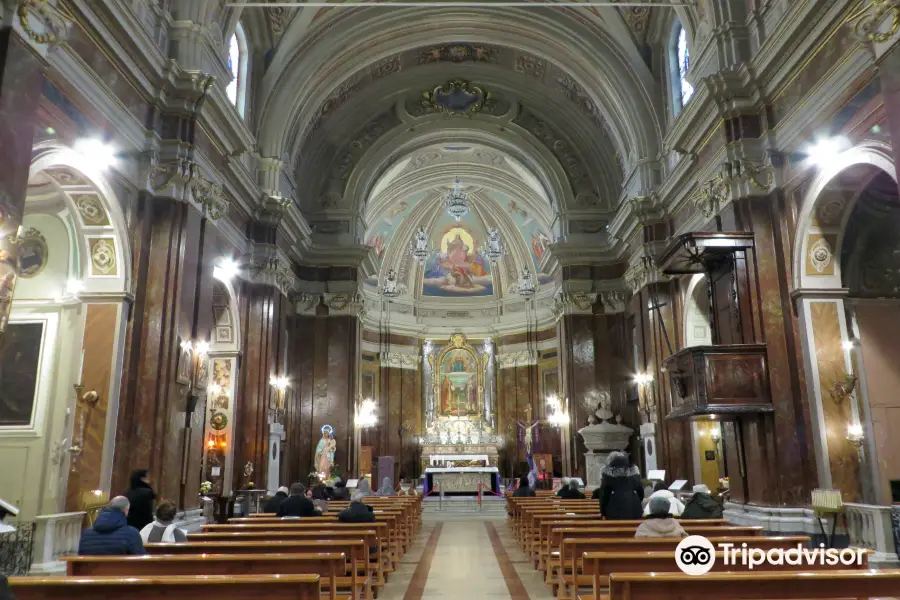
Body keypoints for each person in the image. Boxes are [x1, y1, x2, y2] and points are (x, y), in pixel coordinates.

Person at [78, 496, 145, 555]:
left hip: (90, 569)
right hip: (120, 569)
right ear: (126, 511)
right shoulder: (132, 533)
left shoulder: (86, 533)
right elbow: (141, 560)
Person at [596, 451, 644, 520]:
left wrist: (603, 513)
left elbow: (603, 497)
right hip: (634, 509)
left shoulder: (608, 479)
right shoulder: (634, 478)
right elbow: (641, 493)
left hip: (614, 510)